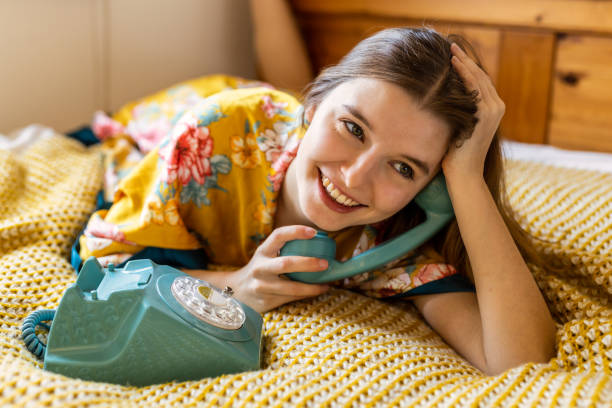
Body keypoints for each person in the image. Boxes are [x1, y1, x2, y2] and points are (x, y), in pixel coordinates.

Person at [76, 10, 556, 375]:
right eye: (353, 127)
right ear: (316, 103)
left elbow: (520, 362)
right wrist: (235, 283)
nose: (354, 177)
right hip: (183, 118)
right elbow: (101, 265)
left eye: (403, 167)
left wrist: (469, 180)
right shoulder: (211, 132)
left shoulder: (396, 241)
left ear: (432, 189)